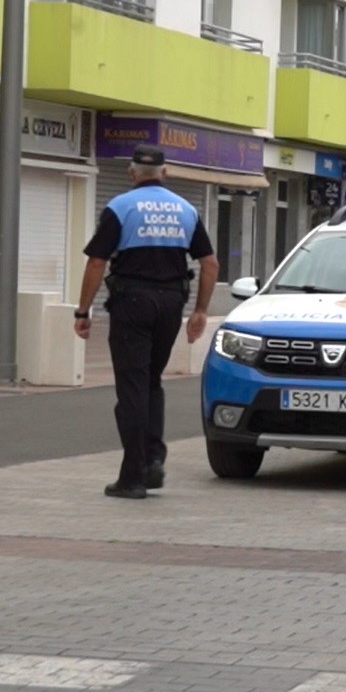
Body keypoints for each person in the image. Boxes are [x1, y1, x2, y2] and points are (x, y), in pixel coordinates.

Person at [74, 144, 219, 499]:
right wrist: (200, 311)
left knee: (132, 388)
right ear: (164, 173)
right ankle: (153, 460)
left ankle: (133, 476)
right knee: (151, 383)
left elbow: (97, 262)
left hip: (132, 303)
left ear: (131, 173)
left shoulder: (121, 207)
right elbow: (210, 263)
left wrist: (83, 311)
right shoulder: (186, 210)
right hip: (171, 304)